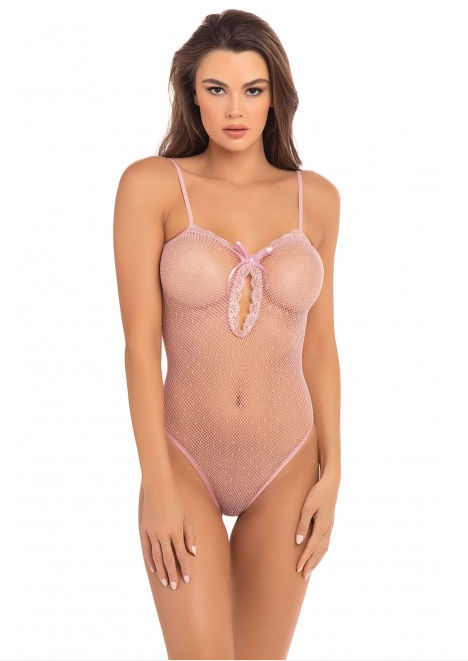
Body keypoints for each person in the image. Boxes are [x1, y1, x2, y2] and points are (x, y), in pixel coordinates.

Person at [113, 9, 341, 660]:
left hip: (289, 461)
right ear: (191, 94)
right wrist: (156, 484)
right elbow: (139, 346)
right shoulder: (151, 185)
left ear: (275, 96)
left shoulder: (318, 199)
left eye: (252, 89)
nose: (235, 108)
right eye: (216, 89)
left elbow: (321, 347)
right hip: (183, 457)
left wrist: (334, 472)